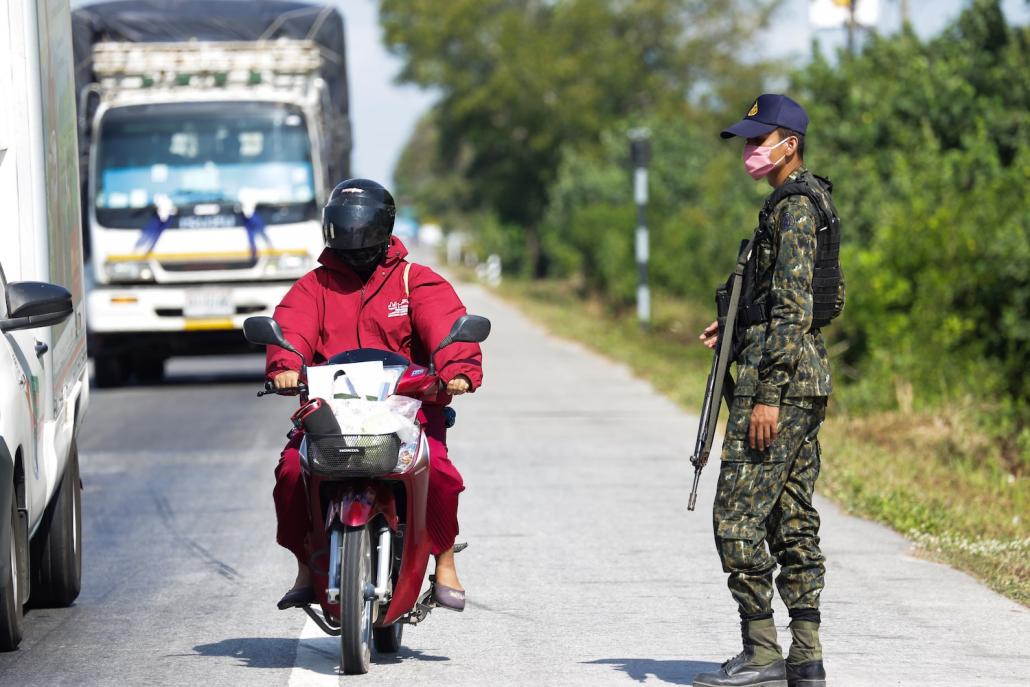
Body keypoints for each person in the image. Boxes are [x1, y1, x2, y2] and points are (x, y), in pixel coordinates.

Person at [267, 178, 483, 612]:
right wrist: (286, 367)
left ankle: (443, 561)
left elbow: (447, 326)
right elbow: (291, 329)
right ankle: (307, 566)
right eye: (344, 234)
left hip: (409, 412)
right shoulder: (314, 287)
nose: (354, 245)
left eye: (362, 234)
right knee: (291, 471)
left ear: (383, 230)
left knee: (439, 471)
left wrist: (458, 370)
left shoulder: (413, 282)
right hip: (332, 414)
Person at [693, 94, 843, 687]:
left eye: (760, 141)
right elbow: (775, 302)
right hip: (798, 378)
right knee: (790, 515)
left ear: (790, 143)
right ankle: (806, 655)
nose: (751, 152)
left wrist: (768, 395)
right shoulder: (795, 204)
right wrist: (734, 324)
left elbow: (794, 308)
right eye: (748, 143)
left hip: (780, 384)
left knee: (734, 518)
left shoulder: (795, 209)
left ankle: (762, 651)